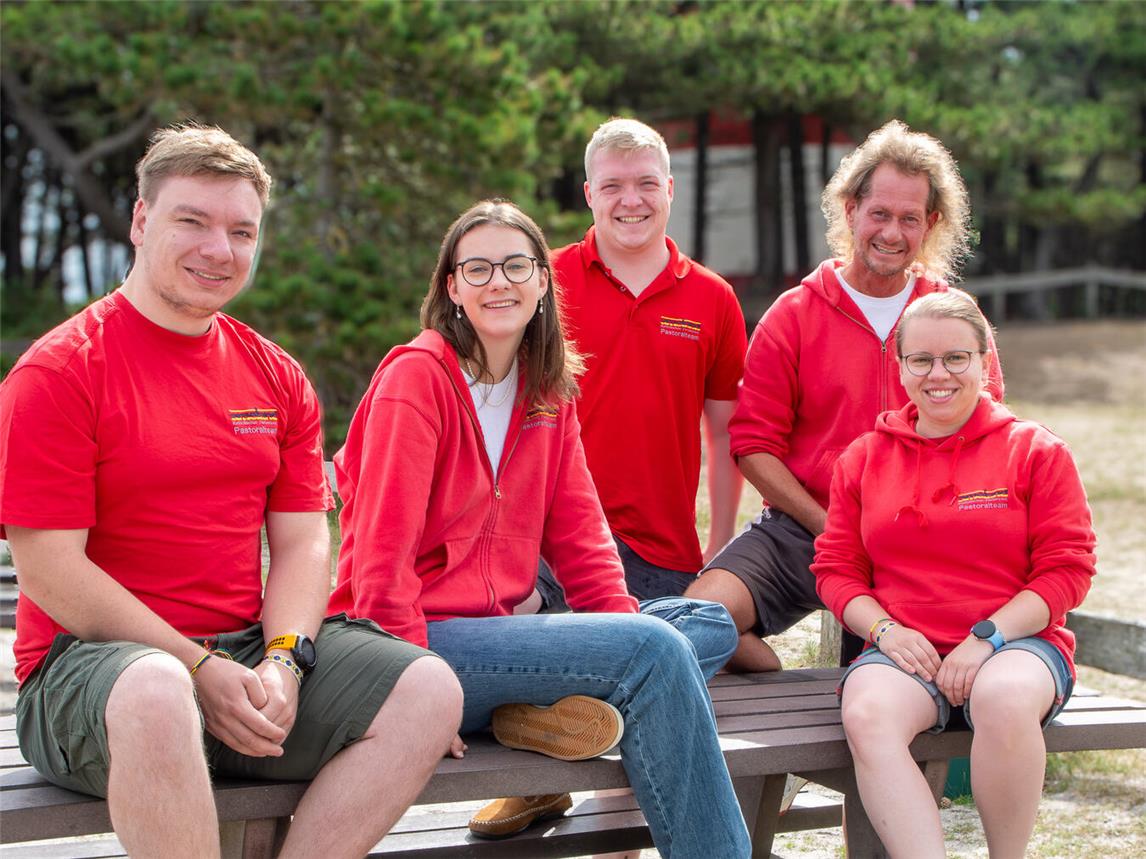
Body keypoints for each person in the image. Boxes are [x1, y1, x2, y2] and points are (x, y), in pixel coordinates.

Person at [0, 124, 462, 859]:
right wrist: (195, 666)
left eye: (241, 230)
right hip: (88, 672)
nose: (220, 249)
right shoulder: (59, 373)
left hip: (239, 655)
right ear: (142, 220)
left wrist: (282, 658)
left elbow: (306, 538)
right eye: (193, 221)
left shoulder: (275, 375)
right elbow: (51, 571)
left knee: (430, 690)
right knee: (156, 688)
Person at [327, 199, 751, 858]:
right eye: (479, 268)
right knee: (657, 652)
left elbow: (584, 542)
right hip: (409, 651)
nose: (499, 281)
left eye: (516, 265)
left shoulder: (546, 392)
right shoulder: (416, 381)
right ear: (452, 288)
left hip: (496, 642)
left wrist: (619, 633)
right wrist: (412, 696)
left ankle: (531, 716)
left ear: (543, 282)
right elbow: (380, 562)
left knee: (706, 623)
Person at [686, 119, 1005, 672]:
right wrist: (830, 526)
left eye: (910, 219)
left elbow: (989, 432)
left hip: (923, 538)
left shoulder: (954, 316)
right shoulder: (795, 314)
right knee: (694, 620)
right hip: (807, 526)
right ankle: (773, 672)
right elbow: (753, 445)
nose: (892, 232)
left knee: (905, 675)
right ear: (851, 209)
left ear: (930, 224)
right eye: (879, 213)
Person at [812, 290, 1096, 858]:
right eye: (921, 359)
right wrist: (886, 633)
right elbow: (837, 572)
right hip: (906, 648)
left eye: (956, 358)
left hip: (1017, 644)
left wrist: (986, 637)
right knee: (866, 712)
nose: (938, 374)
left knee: (1004, 697)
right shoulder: (864, 458)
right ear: (901, 368)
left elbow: (1068, 570)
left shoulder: (1035, 451)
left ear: (985, 361)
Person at [533, 116, 747, 610]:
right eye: (613, 186)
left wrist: (719, 545)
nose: (632, 200)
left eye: (647, 183)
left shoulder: (713, 298)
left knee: (697, 652)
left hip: (664, 552)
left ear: (669, 188)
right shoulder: (543, 279)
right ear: (589, 193)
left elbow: (724, 433)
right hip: (549, 544)